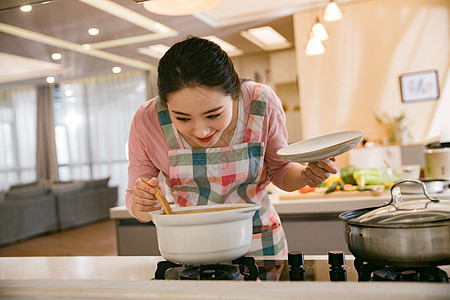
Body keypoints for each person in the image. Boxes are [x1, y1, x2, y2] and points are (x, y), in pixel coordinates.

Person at [126, 36, 337, 257]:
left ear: (235, 94)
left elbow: (280, 170)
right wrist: (142, 203)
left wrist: (306, 175)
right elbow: (134, 196)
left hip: (258, 242)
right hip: (191, 247)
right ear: (164, 103)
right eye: (182, 118)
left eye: (213, 114)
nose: (201, 131)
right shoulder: (147, 119)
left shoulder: (260, 102)